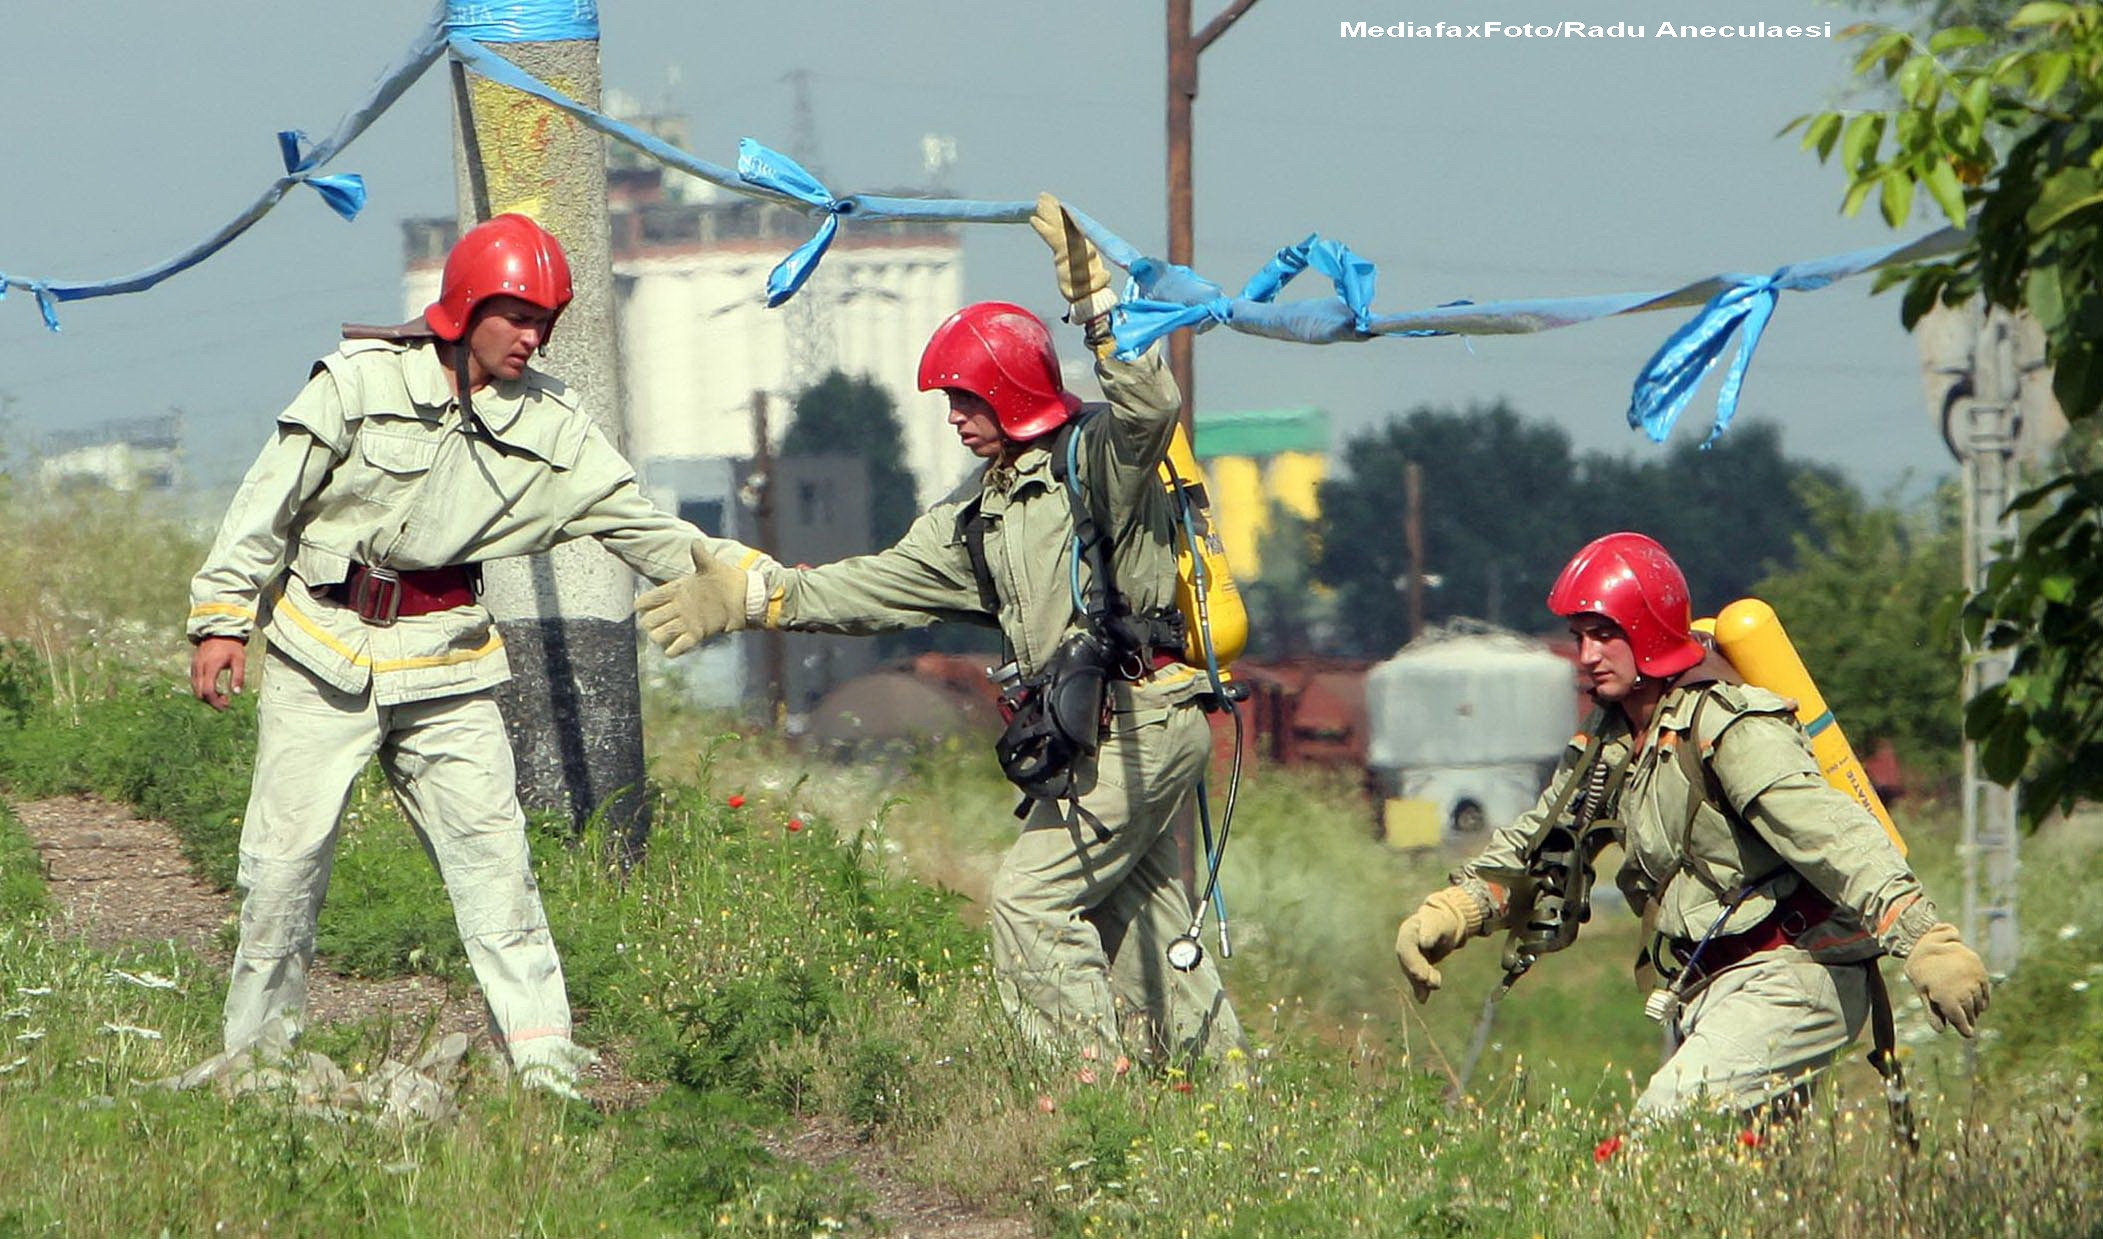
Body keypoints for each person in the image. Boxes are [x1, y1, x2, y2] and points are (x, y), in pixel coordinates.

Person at [636, 195, 1246, 1067]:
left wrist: (1097, 306)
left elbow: (1149, 409)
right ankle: (1222, 1090)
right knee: (1136, 917)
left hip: (1143, 718)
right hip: (1088, 738)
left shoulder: (1096, 464)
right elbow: (879, 583)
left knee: (1031, 903)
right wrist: (755, 595)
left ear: (1007, 391)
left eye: (964, 398)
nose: (953, 418)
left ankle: (1087, 1097)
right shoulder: (975, 516)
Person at [187, 213, 727, 1097]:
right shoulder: (358, 382)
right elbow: (264, 504)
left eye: (546, 320)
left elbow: (642, 520)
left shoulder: (554, 424)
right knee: (283, 866)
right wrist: (220, 617)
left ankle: (547, 1064)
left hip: (448, 661)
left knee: (495, 862)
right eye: (517, 315)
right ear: (467, 306)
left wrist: (752, 587)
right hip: (323, 649)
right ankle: (257, 1059)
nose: (534, 335)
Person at [1392, 531, 1989, 1117]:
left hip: (1791, 975)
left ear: (1648, 632)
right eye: (1579, 637)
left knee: (1663, 1139)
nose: (1586, 656)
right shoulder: (1614, 737)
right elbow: (1545, 842)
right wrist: (1456, 910)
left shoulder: (1732, 726)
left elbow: (1835, 837)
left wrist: (1926, 942)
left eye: (1604, 635)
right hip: (1708, 989)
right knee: (1736, 1189)